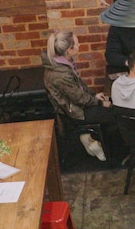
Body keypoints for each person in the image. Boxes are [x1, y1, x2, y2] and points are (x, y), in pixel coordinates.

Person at [42, 30, 114, 161]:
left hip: (77, 107)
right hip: (75, 113)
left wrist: (94, 95)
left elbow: (80, 87)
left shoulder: (62, 64)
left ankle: (90, 138)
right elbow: (79, 98)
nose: (79, 45)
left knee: (111, 106)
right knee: (115, 114)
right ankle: (95, 143)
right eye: (77, 43)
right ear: (69, 50)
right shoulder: (60, 74)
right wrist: (100, 103)